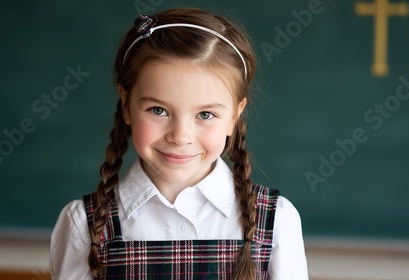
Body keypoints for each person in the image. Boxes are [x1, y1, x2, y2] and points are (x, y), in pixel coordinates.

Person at [50, 7, 308, 280]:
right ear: (126, 104)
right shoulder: (83, 224)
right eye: (158, 110)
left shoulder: (277, 220)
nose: (180, 136)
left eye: (205, 114)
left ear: (234, 115)